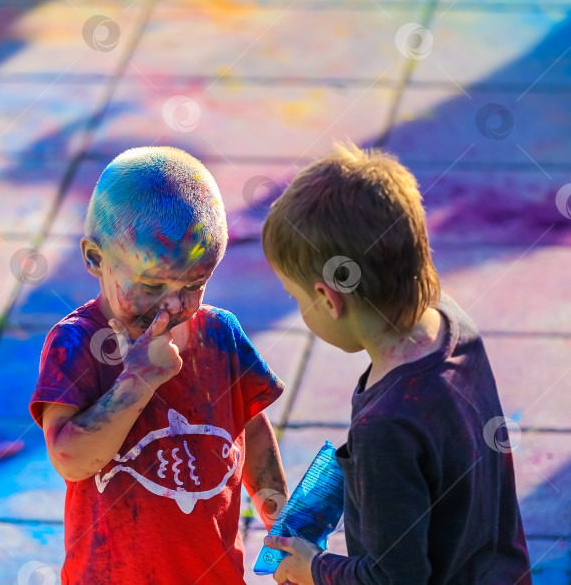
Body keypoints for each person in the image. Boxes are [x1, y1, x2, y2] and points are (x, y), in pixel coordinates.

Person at [260, 142, 532, 584]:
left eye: (296, 298)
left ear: (329, 299)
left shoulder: (384, 429)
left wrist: (315, 568)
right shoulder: (454, 325)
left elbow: (394, 578)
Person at [30, 146, 288, 584]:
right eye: (151, 284)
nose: (173, 304)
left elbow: (252, 431)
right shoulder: (77, 344)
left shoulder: (220, 335)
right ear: (95, 258)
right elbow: (70, 458)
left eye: (194, 284)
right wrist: (137, 380)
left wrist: (281, 522)